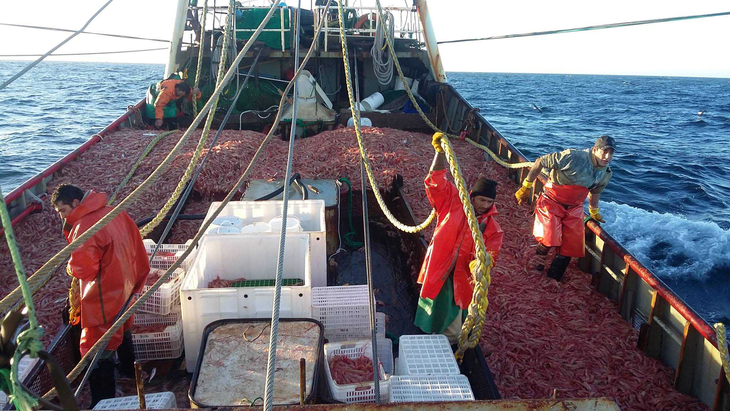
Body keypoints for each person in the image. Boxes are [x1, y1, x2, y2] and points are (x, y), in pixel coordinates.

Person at [52, 185, 149, 407]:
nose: (62, 217)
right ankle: (128, 370)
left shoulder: (84, 227)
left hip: (104, 297)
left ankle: (102, 401)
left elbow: (84, 270)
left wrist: (70, 268)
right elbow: (136, 243)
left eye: (63, 211)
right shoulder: (113, 211)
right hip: (125, 286)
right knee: (122, 327)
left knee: (96, 348)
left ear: (76, 203)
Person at [415, 132, 504, 345]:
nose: (484, 205)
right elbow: (435, 182)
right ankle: (427, 336)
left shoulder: (492, 228)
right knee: (432, 305)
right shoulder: (453, 201)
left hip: (462, 276)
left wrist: (479, 264)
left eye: (489, 202)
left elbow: (491, 254)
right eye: (481, 200)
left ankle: (446, 346)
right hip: (440, 266)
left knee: (455, 322)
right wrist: (439, 153)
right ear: (472, 196)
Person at [515, 136, 616, 282]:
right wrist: (526, 186)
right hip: (552, 201)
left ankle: (553, 278)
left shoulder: (606, 173)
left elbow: (595, 193)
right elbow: (540, 161)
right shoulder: (572, 157)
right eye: (604, 152)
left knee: (571, 245)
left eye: (611, 153)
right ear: (594, 150)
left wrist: (594, 211)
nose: (607, 157)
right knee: (549, 237)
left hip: (575, 207)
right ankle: (537, 263)